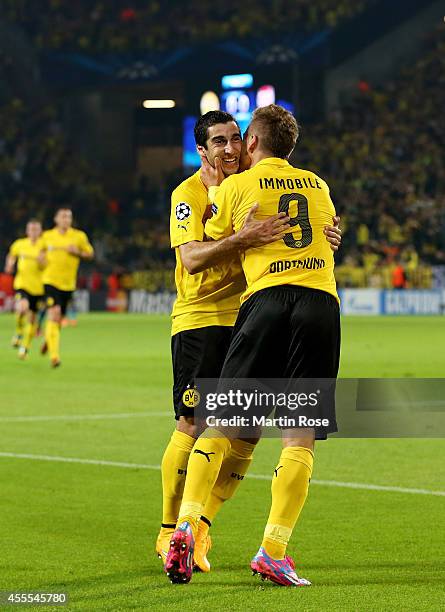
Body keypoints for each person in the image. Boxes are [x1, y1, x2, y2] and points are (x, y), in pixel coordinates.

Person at [158, 110, 342, 573]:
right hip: (203, 316)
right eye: (219, 142)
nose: (230, 149)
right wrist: (247, 235)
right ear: (202, 150)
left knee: (247, 429)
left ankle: (197, 530)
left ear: (251, 142)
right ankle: (170, 530)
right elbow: (194, 258)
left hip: (250, 312)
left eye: (236, 139)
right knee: (195, 421)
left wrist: (325, 235)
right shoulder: (189, 194)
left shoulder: (242, 183)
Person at [40, 208, 94, 367]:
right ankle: (54, 357)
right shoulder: (47, 236)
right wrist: (41, 259)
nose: (66, 219)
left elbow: (90, 254)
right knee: (54, 314)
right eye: (63, 216)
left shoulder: (78, 236)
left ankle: (48, 339)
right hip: (50, 281)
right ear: (56, 219)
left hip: (68, 285)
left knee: (57, 320)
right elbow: (40, 254)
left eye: (69, 217)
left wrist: (77, 252)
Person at [4, 219, 45, 359]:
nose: (33, 232)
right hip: (22, 285)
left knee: (32, 319)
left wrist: (42, 261)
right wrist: (9, 264)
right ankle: (18, 331)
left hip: (39, 288)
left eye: (36, 229)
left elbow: (49, 264)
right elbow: (11, 255)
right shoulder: (19, 244)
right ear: (27, 231)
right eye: (31, 229)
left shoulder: (44, 246)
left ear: (40, 231)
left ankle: (24, 348)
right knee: (21, 308)